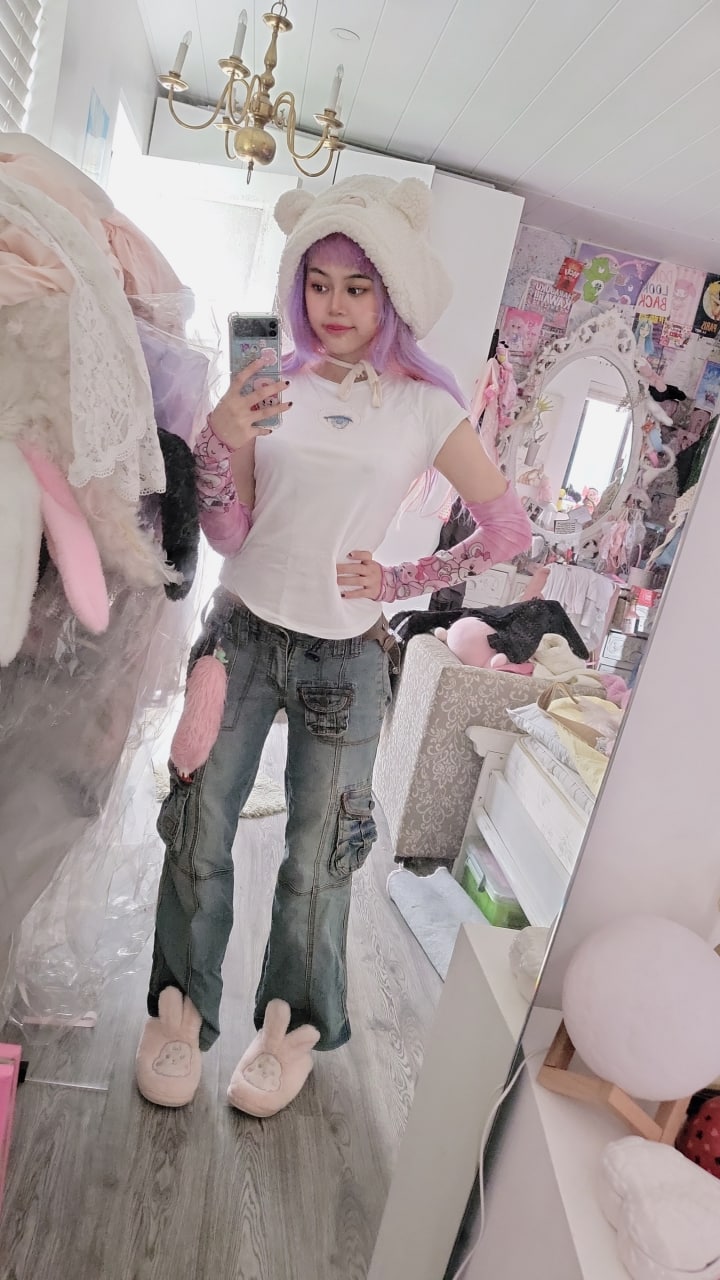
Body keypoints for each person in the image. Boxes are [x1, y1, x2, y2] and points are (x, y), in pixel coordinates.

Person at [135, 176, 532, 1114]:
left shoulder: (426, 408)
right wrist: (219, 438)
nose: (335, 305)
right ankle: (178, 1012)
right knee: (197, 828)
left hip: (346, 663)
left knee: (321, 858)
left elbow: (507, 530)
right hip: (238, 634)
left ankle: (292, 1028)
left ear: (391, 294)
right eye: (318, 283)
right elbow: (229, 533)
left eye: (357, 286)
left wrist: (397, 581)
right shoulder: (269, 383)